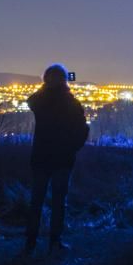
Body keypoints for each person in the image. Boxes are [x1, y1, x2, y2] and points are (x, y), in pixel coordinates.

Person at [25, 64, 89, 254]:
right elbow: (83, 130)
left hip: (41, 157)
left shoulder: (40, 102)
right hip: (63, 158)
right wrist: (73, 148)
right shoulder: (71, 102)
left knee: (36, 201)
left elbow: (31, 100)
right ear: (64, 80)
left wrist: (45, 87)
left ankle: (30, 241)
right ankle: (55, 241)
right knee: (59, 202)